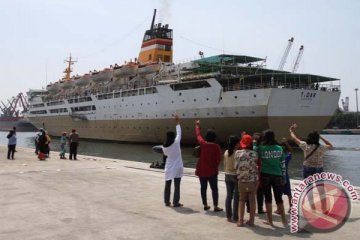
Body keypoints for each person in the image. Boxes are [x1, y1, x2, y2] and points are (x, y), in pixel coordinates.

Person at [289, 123, 333, 213]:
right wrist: (320, 137)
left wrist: (291, 131)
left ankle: (312, 207)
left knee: (309, 188)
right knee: (320, 189)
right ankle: (324, 208)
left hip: (307, 168)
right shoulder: (322, 147)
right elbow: (330, 145)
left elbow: (294, 138)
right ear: (317, 139)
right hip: (318, 169)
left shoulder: (305, 145)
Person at [258, 129, 287, 226]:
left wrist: (254, 143)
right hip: (278, 175)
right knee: (279, 199)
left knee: (268, 198)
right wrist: (284, 177)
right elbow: (283, 164)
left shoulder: (261, 148)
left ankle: (270, 221)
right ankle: (284, 220)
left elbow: (254, 152)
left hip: (265, 175)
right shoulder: (279, 148)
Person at [195, 120, 223, 212]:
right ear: (214, 138)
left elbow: (198, 136)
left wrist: (197, 126)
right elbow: (219, 159)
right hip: (212, 171)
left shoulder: (203, 144)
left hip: (202, 170)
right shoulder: (216, 147)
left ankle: (205, 204)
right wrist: (215, 166)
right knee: (214, 188)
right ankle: (215, 206)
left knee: (203, 188)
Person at [234, 134, 259, 227]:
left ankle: (240, 221)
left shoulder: (237, 153)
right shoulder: (255, 154)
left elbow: (235, 166)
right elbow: (255, 166)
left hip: (241, 180)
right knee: (252, 201)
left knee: (242, 200)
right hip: (252, 181)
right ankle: (251, 221)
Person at [162, 115, 184, 207]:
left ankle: (167, 201)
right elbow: (179, 133)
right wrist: (177, 122)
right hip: (178, 166)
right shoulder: (176, 142)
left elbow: (166, 155)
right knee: (177, 185)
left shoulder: (164, 147)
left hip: (169, 166)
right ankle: (176, 202)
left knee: (167, 184)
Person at [224, 135, 240, 222]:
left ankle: (228, 216)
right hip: (235, 175)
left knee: (229, 195)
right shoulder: (237, 153)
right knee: (236, 196)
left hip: (227, 174)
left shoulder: (226, 152)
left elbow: (225, 164)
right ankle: (235, 217)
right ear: (236, 144)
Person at [276, 138, 293, 214]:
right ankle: (291, 207)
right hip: (286, 175)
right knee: (289, 193)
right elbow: (290, 151)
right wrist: (286, 143)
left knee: (278, 193)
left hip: (279, 175)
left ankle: (279, 209)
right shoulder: (288, 156)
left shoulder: (277, 156)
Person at [252, 132, 266, 214]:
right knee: (260, 191)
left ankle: (249, 208)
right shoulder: (262, 148)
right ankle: (260, 208)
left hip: (251, 170)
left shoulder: (251, 148)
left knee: (250, 191)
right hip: (260, 170)